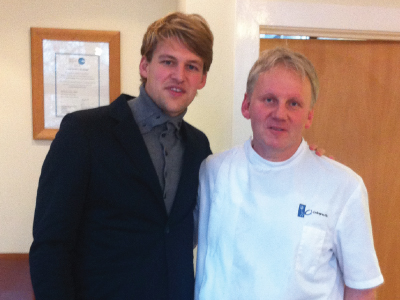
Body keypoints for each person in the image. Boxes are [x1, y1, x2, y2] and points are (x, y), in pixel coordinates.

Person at [29, 12, 213, 300]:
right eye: (168, 61)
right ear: (145, 65)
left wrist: (302, 162)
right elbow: (51, 246)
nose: (179, 76)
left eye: (192, 66)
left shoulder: (199, 146)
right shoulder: (84, 132)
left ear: (202, 79)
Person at [194, 47, 384, 300]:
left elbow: (362, 287)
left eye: (293, 103)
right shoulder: (212, 172)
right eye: (269, 99)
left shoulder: (344, 187)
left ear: (309, 116)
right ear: (246, 105)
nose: (280, 114)